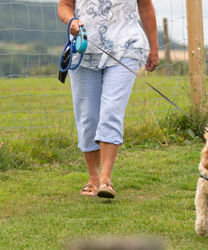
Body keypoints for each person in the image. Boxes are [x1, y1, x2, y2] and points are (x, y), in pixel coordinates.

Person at [58, 0, 159, 198]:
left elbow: (145, 6)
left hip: (126, 47)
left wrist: (154, 47)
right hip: (83, 47)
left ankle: (106, 179)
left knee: (111, 109)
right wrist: (71, 20)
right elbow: (64, 6)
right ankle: (93, 178)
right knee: (88, 116)